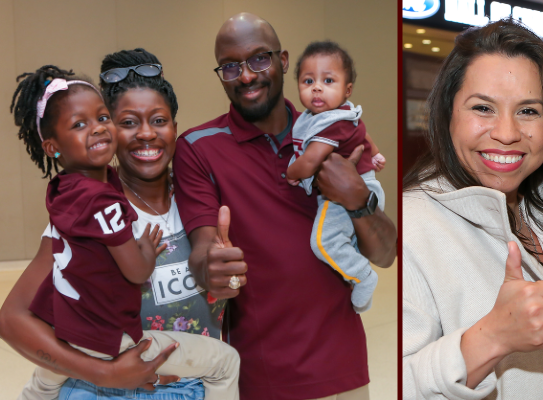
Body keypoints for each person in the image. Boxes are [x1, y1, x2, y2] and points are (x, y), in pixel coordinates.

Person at [402, 18, 543, 399]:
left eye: (528, 111)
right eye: (483, 108)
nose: (507, 133)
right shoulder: (411, 228)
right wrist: (490, 338)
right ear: (447, 115)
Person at [174, 13, 397, 399]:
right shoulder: (198, 148)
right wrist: (210, 266)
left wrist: (357, 198)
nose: (245, 76)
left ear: (283, 60)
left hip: (343, 368)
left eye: (259, 58)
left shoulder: (332, 133)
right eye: (230, 67)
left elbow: (385, 253)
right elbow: (203, 251)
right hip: (264, 377)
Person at [7, 64, 240, 399]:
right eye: (128, 122)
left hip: (187, 388)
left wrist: (230, 279)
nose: (146, 133)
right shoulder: (88, 212)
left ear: (176, 127)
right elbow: (14, 319)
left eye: (159, 120)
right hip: (100, 388)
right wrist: (106, 373)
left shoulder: (202, 203)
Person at [285, 40, 387, 313]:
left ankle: (364, 277)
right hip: (359, 186)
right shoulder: (336, 114)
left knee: (324, 242)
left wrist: (290, 172)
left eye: (328, 80)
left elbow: (310, 162)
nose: (316, 87)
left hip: (352, 191)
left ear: (347, 89)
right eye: (308, 81)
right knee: (346, 244)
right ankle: (357, 289)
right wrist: (375, 152)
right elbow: (362, 131)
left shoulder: (330, 123)